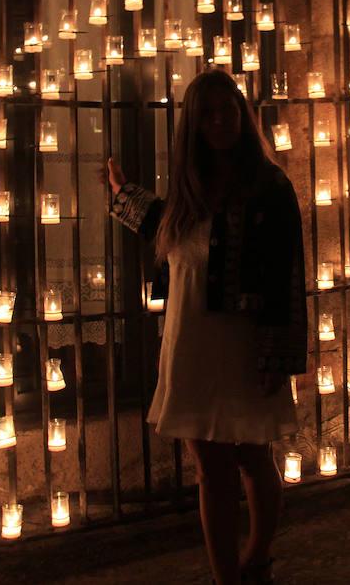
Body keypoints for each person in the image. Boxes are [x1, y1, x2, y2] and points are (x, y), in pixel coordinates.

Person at [106, 68, 305, 585]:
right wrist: (124, 195)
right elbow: (178, 234)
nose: (219, 120)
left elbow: (287, 274)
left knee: (252, 456)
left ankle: (258, 556)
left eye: (227, 109)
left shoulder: (269, 187)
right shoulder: (189, 187)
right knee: (209, 470)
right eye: (208, 113)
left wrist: (277, 355)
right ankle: (226, 579)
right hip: (190, 342)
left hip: (243, 344)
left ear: (241, 113)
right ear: (193, 124)